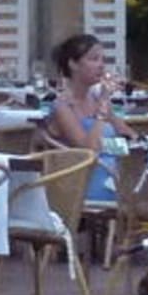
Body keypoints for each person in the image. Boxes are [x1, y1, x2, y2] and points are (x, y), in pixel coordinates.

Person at [42, 33, 121, 202]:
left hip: (114, 176)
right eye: (94, 59)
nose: (101, 65)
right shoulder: (62, 106)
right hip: (81, 184)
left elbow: (125, 135)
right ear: (73, 64)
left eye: (103, 60)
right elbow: (88, 150)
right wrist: (103, 107)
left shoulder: (96, 99)